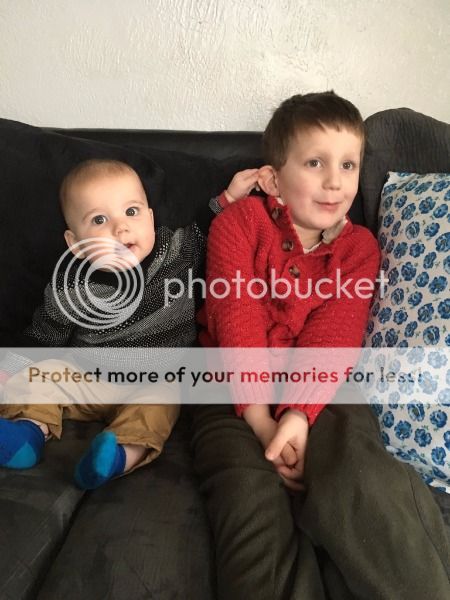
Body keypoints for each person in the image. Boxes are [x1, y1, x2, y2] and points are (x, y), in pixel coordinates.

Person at [192, 92, 450, 599]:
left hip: (323, 388)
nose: (335, 181)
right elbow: (237, 318)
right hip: (228, 390)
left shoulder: (359, 249)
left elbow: (334, 334)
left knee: (362, 480)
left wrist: (298, 414)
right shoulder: (237, 224)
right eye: (315, 163)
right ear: (273, 179)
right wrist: (261, 419)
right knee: (247, 496)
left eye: (348, 165)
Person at [0, 159, 214, 489]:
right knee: (42, 374)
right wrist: (8, 370)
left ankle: (117, 456)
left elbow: (204, 227)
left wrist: (229, 198)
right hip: (87, 379)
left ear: (150, 218)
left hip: (152, 380)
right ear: (75, 243)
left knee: (161, 401)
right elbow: (42, 338)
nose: (120, 228)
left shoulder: (176, 251)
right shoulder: (71, 287)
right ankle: (28, 434)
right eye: (99, 219)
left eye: (131, 211)